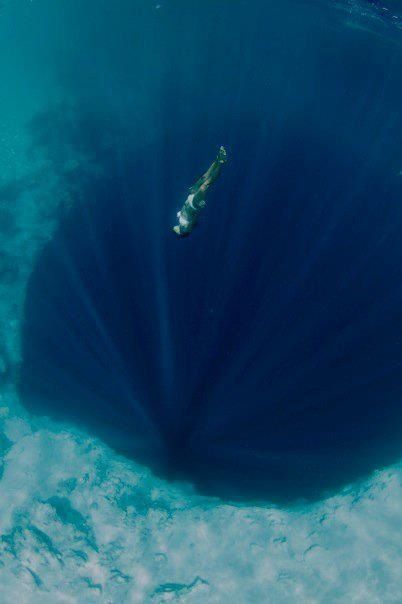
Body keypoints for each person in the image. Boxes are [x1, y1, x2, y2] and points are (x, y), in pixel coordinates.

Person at [173, 146, 227, 237]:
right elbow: (194, 219)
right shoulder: (186, 228)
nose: (176, 230)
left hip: (191, 196)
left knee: (204, 176)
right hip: (194, 204)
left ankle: (218, 159)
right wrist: (200, 207)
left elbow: (174, 228)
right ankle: (221, 163)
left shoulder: (180, 225)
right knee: (205, 185)